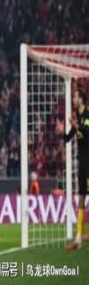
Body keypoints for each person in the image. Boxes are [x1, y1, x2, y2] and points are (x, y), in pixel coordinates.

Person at [57, 89, 89, 250]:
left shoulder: (87, 115)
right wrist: (62, 130)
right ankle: (78, 238)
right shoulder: (77, 117)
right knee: (81, 197)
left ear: (81, 99)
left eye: (75, 96)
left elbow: (87, 132)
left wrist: (76, 125)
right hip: (82, 163)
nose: (73, 99)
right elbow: (68, 138)